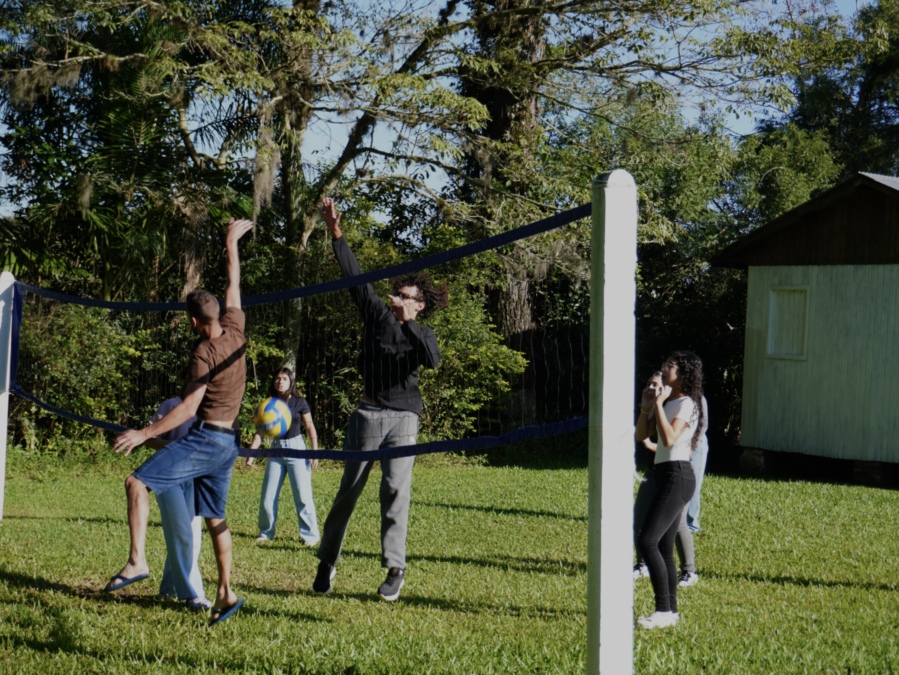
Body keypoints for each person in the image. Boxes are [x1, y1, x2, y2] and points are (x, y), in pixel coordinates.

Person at [106, 217, 254, 627]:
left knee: (136, 482)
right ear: (218, 313)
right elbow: (234, 283)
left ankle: (137, 561)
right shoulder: (237, 328)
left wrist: (144, 433)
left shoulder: (203, 352)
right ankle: (226, 592)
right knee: (215, 518)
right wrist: (231, 242)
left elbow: (189, 408)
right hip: (229, 445)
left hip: (206, 440)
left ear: (192, 321)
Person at [313, 196, 446, 602]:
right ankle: (327, 562)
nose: (397, 299)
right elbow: (354, 277)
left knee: (394, 492)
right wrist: (335, 232)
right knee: (348, 491)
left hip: (404, 418)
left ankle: (395, 568)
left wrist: (409, 326)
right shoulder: (376, 314)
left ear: (419, 304)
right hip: (368, 415)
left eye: (405, 296)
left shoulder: (422, 334)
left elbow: (432, 360)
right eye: (397, 294)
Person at [634, 351, 704, 629]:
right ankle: (669, 611)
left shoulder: (686, 404)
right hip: (664, 475)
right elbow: (642, 435)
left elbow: (669, 438)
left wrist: (660, 404)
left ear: (684, 373)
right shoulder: (670, 401)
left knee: (647, 541)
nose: (664, 369)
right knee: (663, 545)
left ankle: (663, 609)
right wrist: (646, 407)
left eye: (671, 366)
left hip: (678, 476)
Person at [150, 396, 210, 611]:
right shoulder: (170, 405)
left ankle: (168, 589)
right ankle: (194, 595)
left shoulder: (210, 408)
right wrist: (178, 447)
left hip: (196, 478)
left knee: (190, 537)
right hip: (167, 477)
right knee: (183, 535)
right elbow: (149, 438)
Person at [250, 367, 320, 545]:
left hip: (296, 450)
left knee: (303, 496)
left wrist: (315, 452)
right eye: (277, 378)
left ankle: (310, 536)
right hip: (276, 451)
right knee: (268, 496)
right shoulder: (269, 404)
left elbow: (310, 427)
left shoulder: (300, 402)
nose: (280, 382)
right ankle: (266, 533)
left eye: (284, 379)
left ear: (291, 382)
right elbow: (259, 433)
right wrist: (251, 454)